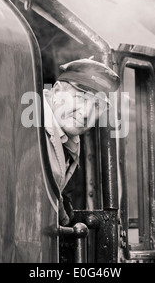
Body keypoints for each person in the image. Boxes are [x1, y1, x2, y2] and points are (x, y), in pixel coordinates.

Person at [43, 58, 121, 225]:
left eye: (98, 106)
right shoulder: (31, 129)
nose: (86, 114)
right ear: (56, 92)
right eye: (80, 98)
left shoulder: (69, 140)